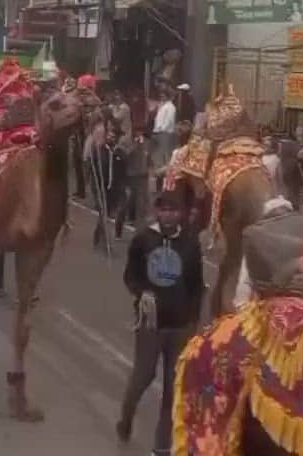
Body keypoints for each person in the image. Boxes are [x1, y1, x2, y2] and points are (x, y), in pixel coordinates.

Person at [117, 190, 204, 455]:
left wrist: (193, 320)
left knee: (172, 387)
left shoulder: (190, 243)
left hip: (180, 326)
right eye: (163, 209)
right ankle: (126, 417)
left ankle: (161, 446)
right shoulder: (143, 239)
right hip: (150, 323)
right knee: (143, 376)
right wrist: (141, 292)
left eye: (173, 210)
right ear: (157, 211)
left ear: (181, 214)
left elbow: (196, 285)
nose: (168, 214)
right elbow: (130, 275)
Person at [150, 87, 177, 177]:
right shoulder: (162, 106)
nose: (161, 96)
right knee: (159, 155)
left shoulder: (171, 107)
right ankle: (159, 173)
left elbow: (168, 121)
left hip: (165, 133)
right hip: (159, 133)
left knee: (165, 154)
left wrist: (161, 129)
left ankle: (165, 175)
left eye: (164, 95)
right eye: (161, 95)